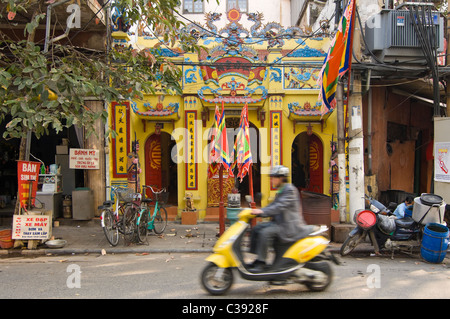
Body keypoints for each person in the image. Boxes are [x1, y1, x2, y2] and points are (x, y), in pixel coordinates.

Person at [248, 165, 309, 272]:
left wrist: (262, 211)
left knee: (265, 233)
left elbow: (279, 206)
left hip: (287, 226)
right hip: (279, 223)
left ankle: (261, 263)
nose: (271, 180)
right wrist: (260, 211)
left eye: (273, 177)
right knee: (257, 229)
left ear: (281, 178)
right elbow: (272, 206)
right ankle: (258, 259)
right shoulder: (282, 190)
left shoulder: (290, 190)